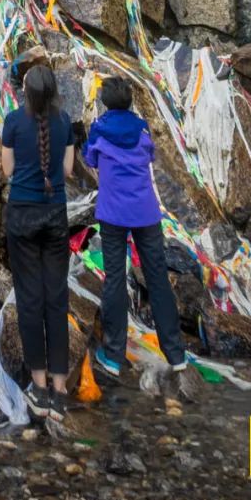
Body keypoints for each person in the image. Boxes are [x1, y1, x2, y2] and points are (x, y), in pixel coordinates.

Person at [82, 76, 188, 382]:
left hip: (113, 213)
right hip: (145, 212)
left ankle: (113, 356)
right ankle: (176, 353)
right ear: (129, 101)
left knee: (115, 278)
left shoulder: (99, 128)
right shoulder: (142, 127)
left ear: (104, 101)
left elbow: (90, 158)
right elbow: (151, 154)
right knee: (157, 277)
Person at [0, 63, 75, 421]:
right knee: (56, 299)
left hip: (22, 216)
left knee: (30, 299)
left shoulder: (14, 122)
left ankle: (39, 386)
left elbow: (7, 170)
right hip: (55, 215)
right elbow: (67, 172)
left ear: (26, 93)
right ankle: (61, 390)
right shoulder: (64, 123)